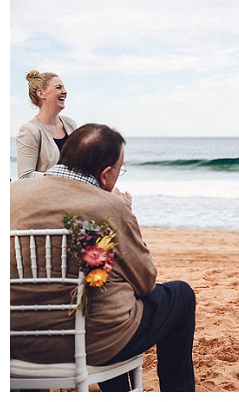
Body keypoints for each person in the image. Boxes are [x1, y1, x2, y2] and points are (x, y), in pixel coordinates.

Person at [10, 123, 196, 391]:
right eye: (120, 170)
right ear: (107, 174)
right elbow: (145, 281)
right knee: (180, 295)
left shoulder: (12, 195)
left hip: (16, 342)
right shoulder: (110, 206)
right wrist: (125, 211)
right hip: (94, 345)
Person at [16, 70, 77, 179]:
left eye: (64, 88)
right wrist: (63, 178)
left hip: (72, 193)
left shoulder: (70, 124)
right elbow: (25, 176)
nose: (65, 92)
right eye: (59, 88)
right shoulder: (29, 130)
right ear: (41, 93)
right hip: (45, 195)